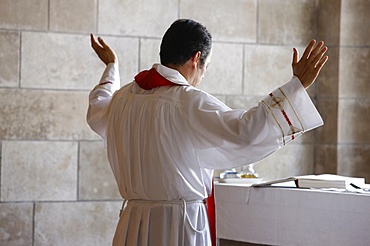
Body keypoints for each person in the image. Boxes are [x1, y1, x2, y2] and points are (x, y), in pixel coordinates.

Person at [87, 19, 328, 246]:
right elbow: (245, 132)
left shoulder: (122, 99)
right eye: (207, 66)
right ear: (196, 58)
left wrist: (111, 66)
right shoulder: (186, 101)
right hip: (177, 226)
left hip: (132, 223)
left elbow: (98, 105)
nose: (203, 75)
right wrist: (297, 85)